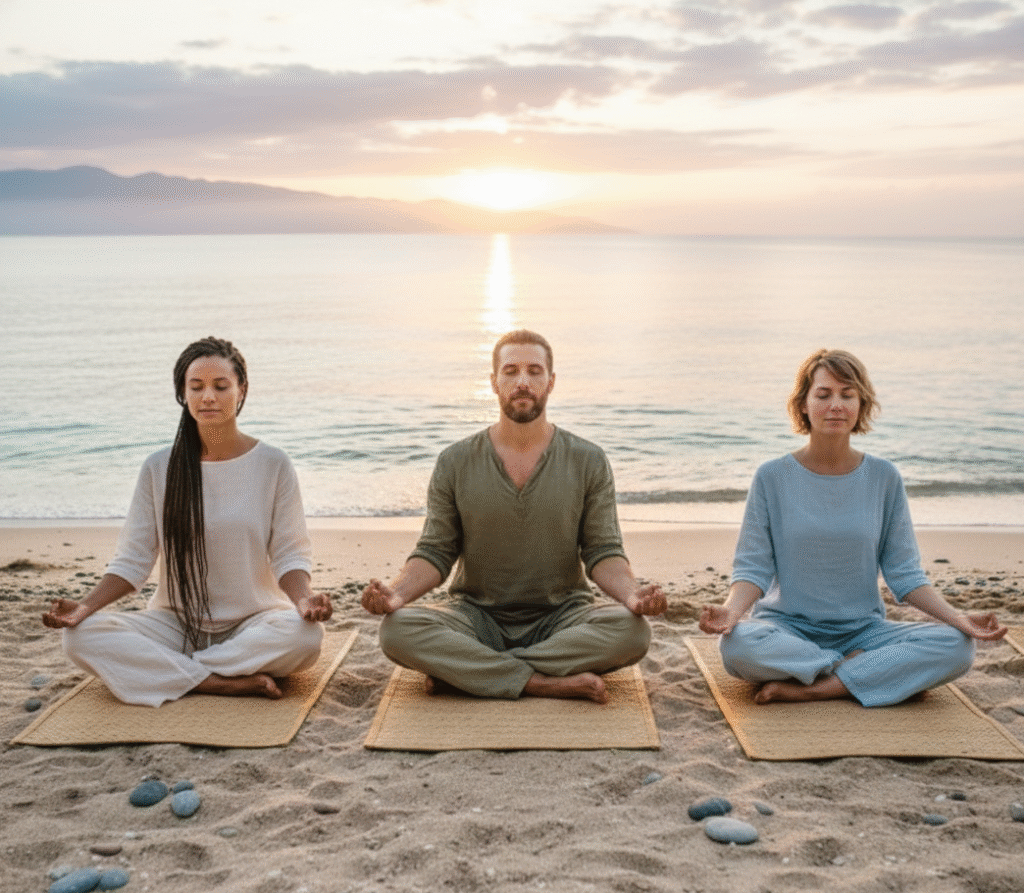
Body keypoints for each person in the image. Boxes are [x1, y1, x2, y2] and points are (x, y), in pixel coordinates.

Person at [362, 329, 665, 704]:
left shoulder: (588, 460)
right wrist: (395, 594)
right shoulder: (455, 461)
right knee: (397, 630)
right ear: (493, 382)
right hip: (474, 617)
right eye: (511, 371)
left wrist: (633, 596)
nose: (523, 381)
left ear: (551, 382)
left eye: (535, 371)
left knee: (632, 632)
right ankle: (543, 683)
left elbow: (603, 552)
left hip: (563, 617)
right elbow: (436, 552)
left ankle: (470, 674)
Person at [699, 348, 1006, 706]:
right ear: (803, 403)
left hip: (865, 632)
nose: (836, 405)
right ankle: (854, 672)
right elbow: (753, 568)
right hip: (787, 630)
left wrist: (958, 618)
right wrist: (731, 612)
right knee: (737, 646)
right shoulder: (772, 476)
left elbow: (904, 576)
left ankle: (821, 686)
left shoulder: (883, 477)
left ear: (861, 404)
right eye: (824, 394)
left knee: (957, 647)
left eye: (848, 395)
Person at [42, 336, 332, 707]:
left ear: (242, 390)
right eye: (196, 387)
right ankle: (218, 681)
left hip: (254, 622)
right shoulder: (159, 467)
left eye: (220, 386)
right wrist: (84, 608)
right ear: (183, 394)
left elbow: (289, 554)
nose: (208, 396)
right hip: (174, 624)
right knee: (79, 638)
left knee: (305, 638)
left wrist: (304, 602)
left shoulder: (273, 464)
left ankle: (174, 672)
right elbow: (133, 561)